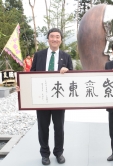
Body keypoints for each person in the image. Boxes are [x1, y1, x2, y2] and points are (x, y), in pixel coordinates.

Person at [17, 28, 73, 165]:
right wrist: (22, 87)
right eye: (52, 36)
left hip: (59, 99)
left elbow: (73, 77)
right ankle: (44, 153)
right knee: (43, 127)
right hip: (41, 98)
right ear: (48, 39)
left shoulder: (66, 57)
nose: (55, 39)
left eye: (57, 36)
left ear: (61, 39)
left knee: (59, 127)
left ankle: (59, 153)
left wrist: (68, 71)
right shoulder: (39, 55)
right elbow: (31, 75)